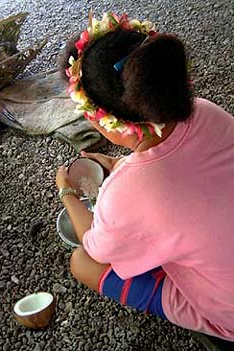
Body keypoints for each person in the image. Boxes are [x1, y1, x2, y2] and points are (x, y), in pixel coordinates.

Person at [55, 12, 234, 341]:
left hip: (229, 314)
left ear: (103, 120)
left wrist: (66, 191)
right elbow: (183, 164)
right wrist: (118, 163)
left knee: (81, 262)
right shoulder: (207, 111)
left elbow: (94, 249)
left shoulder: (126, 194)